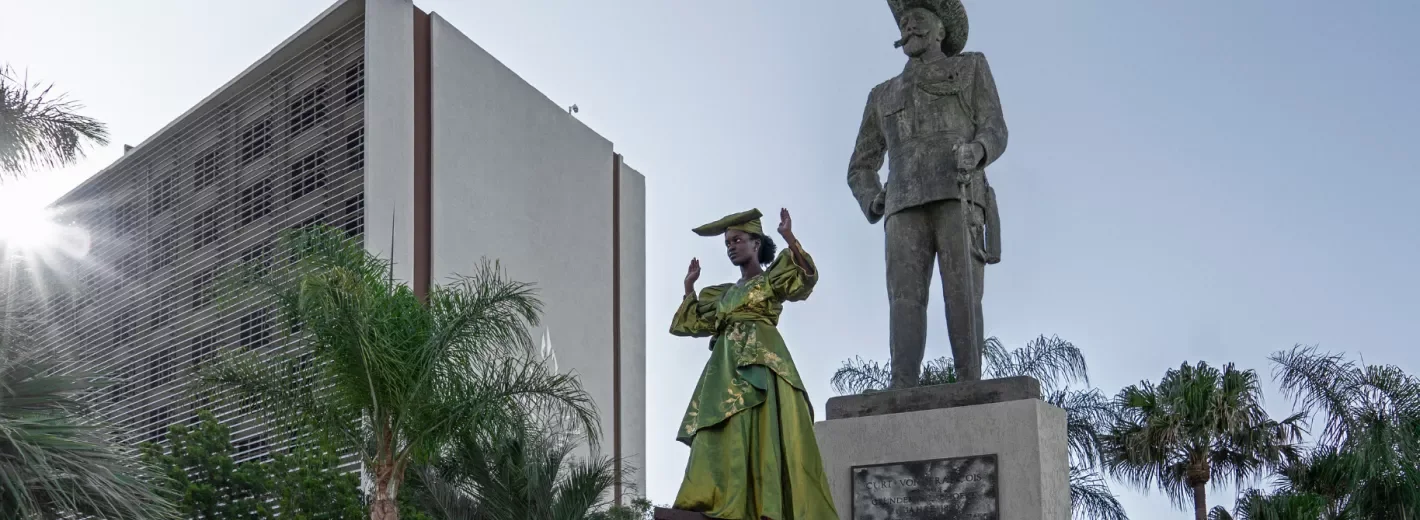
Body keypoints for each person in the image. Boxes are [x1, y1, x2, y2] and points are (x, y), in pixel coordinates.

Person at [845, 0, 1008, 387]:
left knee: (963, 292)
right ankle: (902, 386)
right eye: (904, 22)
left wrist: (979, 150)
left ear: (941, 31)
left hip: (958, 192)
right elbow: (860, 165)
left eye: (918, 19)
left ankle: (969, 382)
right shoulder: (882, 94)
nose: (909, 26)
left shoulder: (970, 67)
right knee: (904, 299)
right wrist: (873, 197)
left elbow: (995, 127)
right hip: (902, 203)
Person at [669, 207, 838, 519]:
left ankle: (766, 505)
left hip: (763, 360)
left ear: (756, 243)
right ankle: (716, 498)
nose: (731, 247)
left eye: (737, 240)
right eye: (727, 243)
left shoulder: (772, 279)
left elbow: (804, 280)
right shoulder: (723, 294)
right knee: (720, 427)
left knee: (764, 427)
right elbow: (691, 323)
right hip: (725, 365)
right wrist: (689, 288)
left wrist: (789, 237)